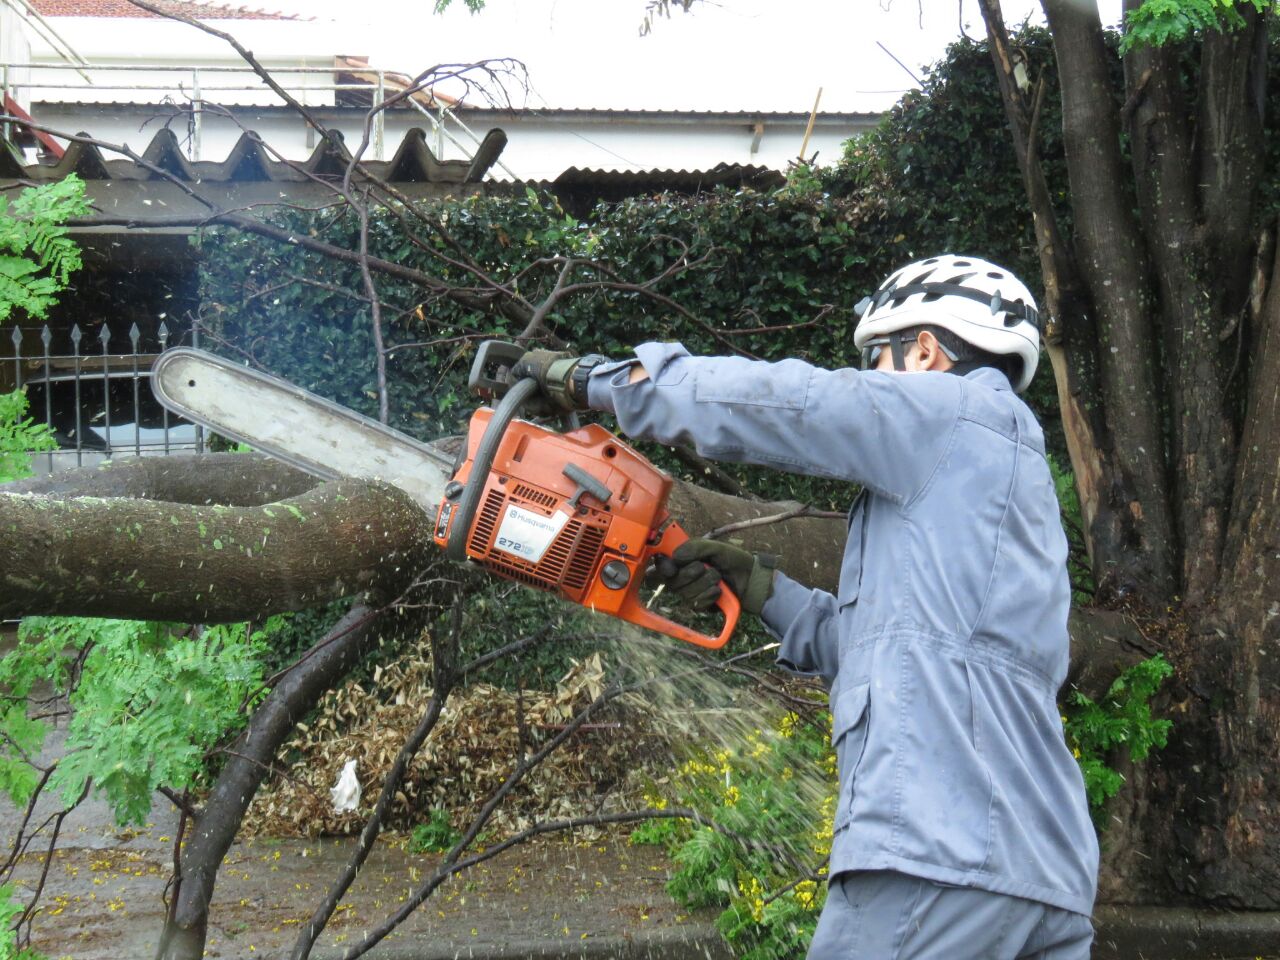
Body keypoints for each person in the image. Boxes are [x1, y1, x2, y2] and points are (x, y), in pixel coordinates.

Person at [511, 254, 1099, 959]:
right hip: (1043, 879)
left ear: (924, 349)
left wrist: (595, 382)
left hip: (935, 859)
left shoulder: (946, 413)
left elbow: (784, 402)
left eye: (878, 362)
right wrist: (764, 591)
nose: (873, 383)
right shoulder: (1006, 479)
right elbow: (901, 650)